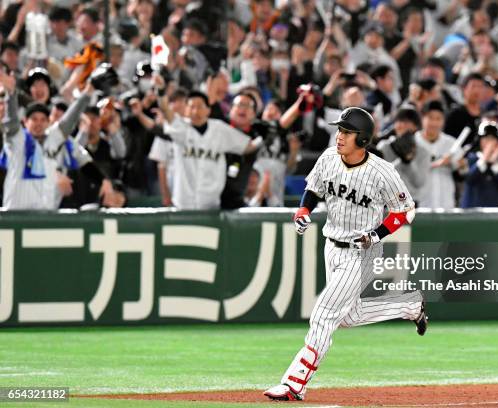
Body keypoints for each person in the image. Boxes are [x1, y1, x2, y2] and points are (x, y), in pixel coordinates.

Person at [263, 107, 427, 402]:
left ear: (362, 139)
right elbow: (313, 190)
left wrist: (377, 234)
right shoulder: (328, 158)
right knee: (348, 316)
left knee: (324, 314)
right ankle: (409, 305)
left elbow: (405, 210)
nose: (339, 136)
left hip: (363, 252)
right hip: (332, 246)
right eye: (339, 130)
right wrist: (303, 210)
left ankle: (294, 383)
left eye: (347, 132)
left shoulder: (382, 172)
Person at [0, 70, 116, 210]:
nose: (38, 123)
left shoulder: (53, 140)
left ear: (49, 123)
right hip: (15, 215)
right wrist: (11, 95)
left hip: (46, 214)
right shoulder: (18, 139)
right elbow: (11, 123)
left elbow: (69, 120)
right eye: (34, 119)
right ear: (25, 122)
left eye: (43, 120)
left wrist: (88, 90)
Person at [154, 74, 262, 210]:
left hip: (211, 206)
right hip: (183, 204)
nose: (195, 111)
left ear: (208, 110)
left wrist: (262, 139)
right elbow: (165, 109)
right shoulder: (181, 128)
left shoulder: (220, 129)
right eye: (191, 106)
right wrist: (161, 91)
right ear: (186, 110)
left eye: (199, 106)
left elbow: (248, 146)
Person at [415, 100, 464, 209]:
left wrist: (462, 165)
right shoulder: (413, 143)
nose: (434, 123)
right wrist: (439, 163)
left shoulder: (451, 143)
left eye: (438, 119)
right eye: (430, 118)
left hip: (446, 205)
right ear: (422, 118)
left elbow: (463, 173)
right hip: (419, 207)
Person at [460, 119, 498, 208]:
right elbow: (470, 179)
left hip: (495, 210)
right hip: (472, 210)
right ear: (480, 140)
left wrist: (495, 163)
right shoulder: (471, 158)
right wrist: (484, 160)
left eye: (492, 139)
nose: (489, 142)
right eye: (486, 138)